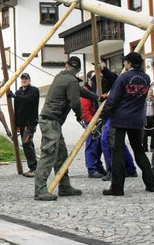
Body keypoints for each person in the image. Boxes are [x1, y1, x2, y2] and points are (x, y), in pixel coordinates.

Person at [34, 56, 99, 201]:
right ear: (79, 70)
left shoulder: (62, 77)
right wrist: (79, 115)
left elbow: (80, 91)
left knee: (61, 155)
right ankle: (40, 190)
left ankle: (64, 186)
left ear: (66, 65)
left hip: (51, 121)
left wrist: (97, 98)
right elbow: (75, 101)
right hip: (51, 121)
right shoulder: (71, 80)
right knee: (49, 154)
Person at [102, 52, 154, 196]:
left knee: (117, 153)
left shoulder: (123, 78)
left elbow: (112, 99)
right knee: (139, 150)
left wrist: (103, 115)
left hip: (120, 118)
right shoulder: (146, 78)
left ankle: (117, 188)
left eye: (125, 62)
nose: (124, 64)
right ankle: (151, 184)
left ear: (129, 64)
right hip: (137, 119)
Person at [12, 72, 40, 178]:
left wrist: (15, 96)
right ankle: (34, 166)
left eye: (26, 79)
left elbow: (28, 100)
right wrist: (16, 124)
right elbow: (16, 109)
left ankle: (34, 168)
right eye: (22, 79)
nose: (24, 80)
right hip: (22, 123)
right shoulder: (18, 92)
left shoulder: (34, 91)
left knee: (26, 142)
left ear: (29, 80)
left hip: (30, 122)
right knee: (28, 143)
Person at [81, 70, 107, 178]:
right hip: (91, 121)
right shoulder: (86, 91)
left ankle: (98, 166)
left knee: (99, 145)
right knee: (91, 144)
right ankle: (92, 169)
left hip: (98, 120)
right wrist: (92, 122)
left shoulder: (97, 90)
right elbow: (85, 109)